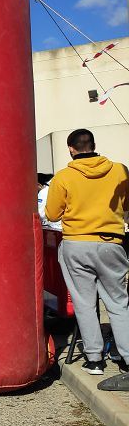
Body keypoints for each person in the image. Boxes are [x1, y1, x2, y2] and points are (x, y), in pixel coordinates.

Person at [45, 129, 129, 390]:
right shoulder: (119, 170)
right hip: (111, 243)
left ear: (71, 149)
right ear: (93, 145)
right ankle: (125, 358)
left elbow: (52, 213)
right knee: (118, 302)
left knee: (83, 302)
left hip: (77, 243)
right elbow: (125, 206)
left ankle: (94, 360)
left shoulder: (64, 177)